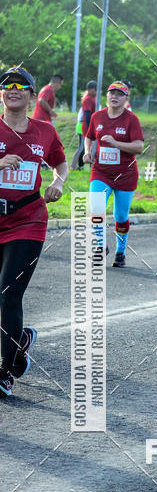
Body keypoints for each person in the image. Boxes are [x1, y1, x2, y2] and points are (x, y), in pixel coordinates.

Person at [0, 66, 67, 397]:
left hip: (28, 220)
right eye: (7, 85)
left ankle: (4, 373)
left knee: (8, 292)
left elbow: (61, 163)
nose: (13, 89)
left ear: (31, 94)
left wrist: (59, 182)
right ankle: (20, 341)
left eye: (20, 86)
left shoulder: (45, 131)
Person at [83, 81, 144, 268]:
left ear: (126, 98)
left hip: (125, 175)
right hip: (101, 172)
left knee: (120, 216)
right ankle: (101, 247)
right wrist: (88, 151)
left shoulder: (131, 119)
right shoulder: (97, 116)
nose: (115, 97)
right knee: (96, 209)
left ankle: (120, 252)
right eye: (112, 93)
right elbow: (89, 136)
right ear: (107, 96)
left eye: (119, 94)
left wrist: (116, 143)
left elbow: (139, 147)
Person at [71, 81, 97, 170]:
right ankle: (73, 166)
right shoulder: (88, 99)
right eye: (96, 90)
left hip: (87, 126)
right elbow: (87, 114)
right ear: (92, 89)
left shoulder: (93, 98)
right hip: (85, 127)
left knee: (90, 147)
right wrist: (91, 127)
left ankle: (83, 165)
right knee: (81, 148)